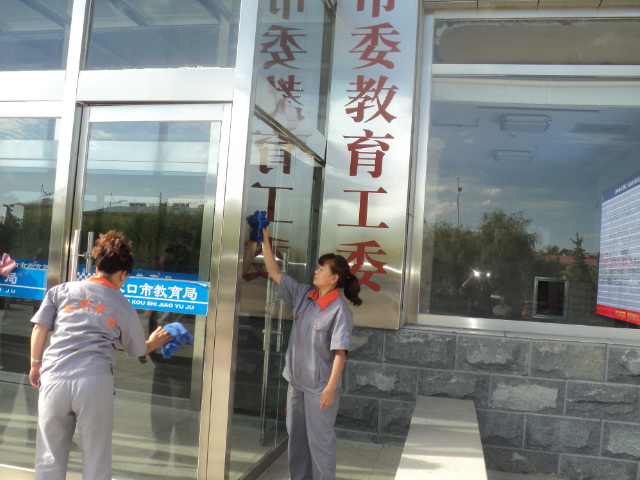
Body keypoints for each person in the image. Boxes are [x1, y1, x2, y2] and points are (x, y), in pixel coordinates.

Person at [28, 230, 173, 480]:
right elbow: (137, 350)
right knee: (96, 456)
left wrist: (35, 365)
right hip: (94, 381)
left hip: (54, 378)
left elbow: (39, 329)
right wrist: (153, 341)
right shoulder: (122, 304)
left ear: (97, 266)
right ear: (122, 274)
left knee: (48, 455)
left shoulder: (62, 291)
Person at [257, 225, 362, 480]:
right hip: (296, 384)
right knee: (297, 439)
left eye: (322, 269)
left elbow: (340, 353)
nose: (316, 271)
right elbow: (274, 271)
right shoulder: (305, 295)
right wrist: (264, 239)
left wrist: (330, 388)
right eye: (318, 268)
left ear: (334, 278)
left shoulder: (339, 310)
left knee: (320, 443)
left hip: (319, 389)